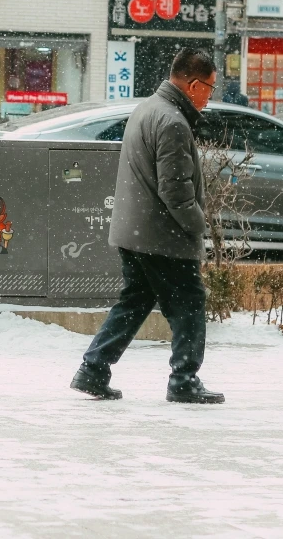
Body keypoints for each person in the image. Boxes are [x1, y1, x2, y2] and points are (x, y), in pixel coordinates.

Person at [71, 48, 224, 405]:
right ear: (193, 84)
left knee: (136, 300)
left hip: (136, 231)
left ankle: (93, 370)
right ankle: (184, 380)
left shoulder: (148, 108)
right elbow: (176, 192)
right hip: (162, 236)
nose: (210, 96)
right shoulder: (171, 121)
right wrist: (198, 226)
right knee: (189, 303)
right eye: (209, 88)